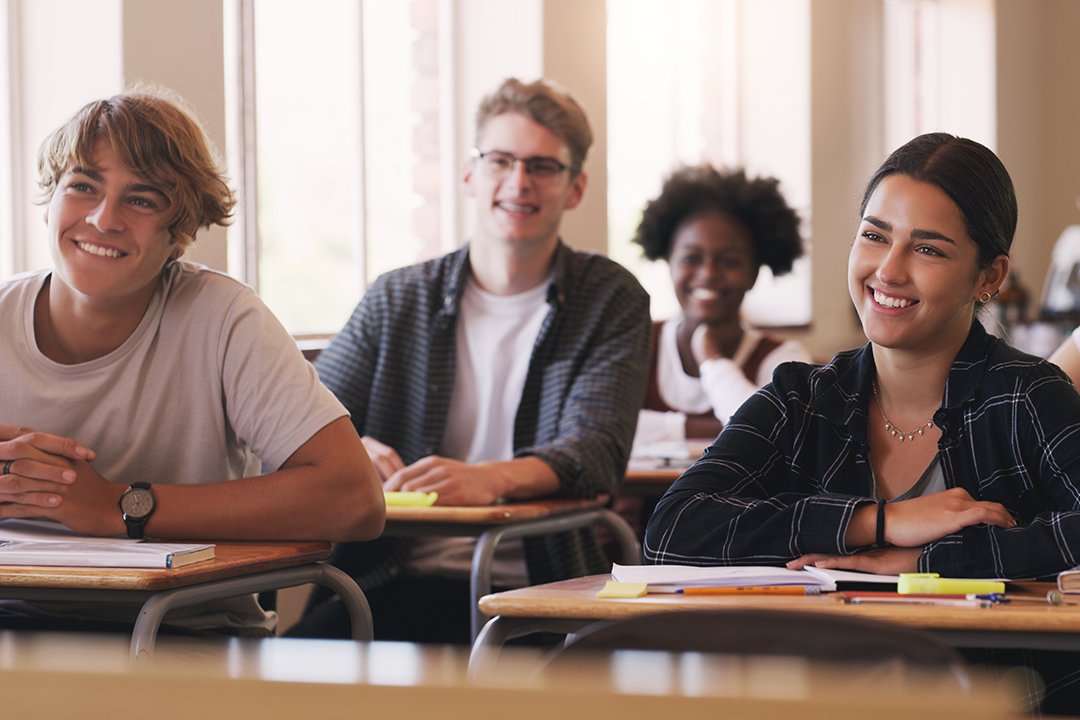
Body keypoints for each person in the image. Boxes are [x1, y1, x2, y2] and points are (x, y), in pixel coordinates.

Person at [644, 133, 1080, 713]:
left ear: (989, 276)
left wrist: (926, 564)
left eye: (928, 249)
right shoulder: (801, 397)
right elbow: (673, 528)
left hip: (995, 697)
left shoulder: (1028, 394)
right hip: (820, 694)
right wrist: (879, 522)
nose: (889, 270)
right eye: (875, 236)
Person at [0, 88, 384, 633]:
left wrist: (117, 506)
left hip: (182, 631)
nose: (104, 219)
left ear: (178, 232)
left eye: (141, 199)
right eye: (83, 186)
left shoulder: (225, 318)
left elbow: (354, 499)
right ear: (51, 197)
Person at [292, 77, 651, 644]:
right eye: (500, 160)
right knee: (288, 673)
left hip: (541, 585)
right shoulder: (397, 297)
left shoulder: (609, 297)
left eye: (542, 167)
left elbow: (597, 450)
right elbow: (299, 421)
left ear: (575, 187)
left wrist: (489, 480)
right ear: (469, 174)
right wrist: (350, 449)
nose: (518, 183)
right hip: (390, 575)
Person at [632, 165, 811, 446]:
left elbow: (775, 436)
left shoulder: (783, 361)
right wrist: (712, 427)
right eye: (691, 259)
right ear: (670, 264)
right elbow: (607, 427)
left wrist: (713, 360)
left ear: (753, 273)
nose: (708, 274)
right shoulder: (637, 343)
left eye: (729, 262)